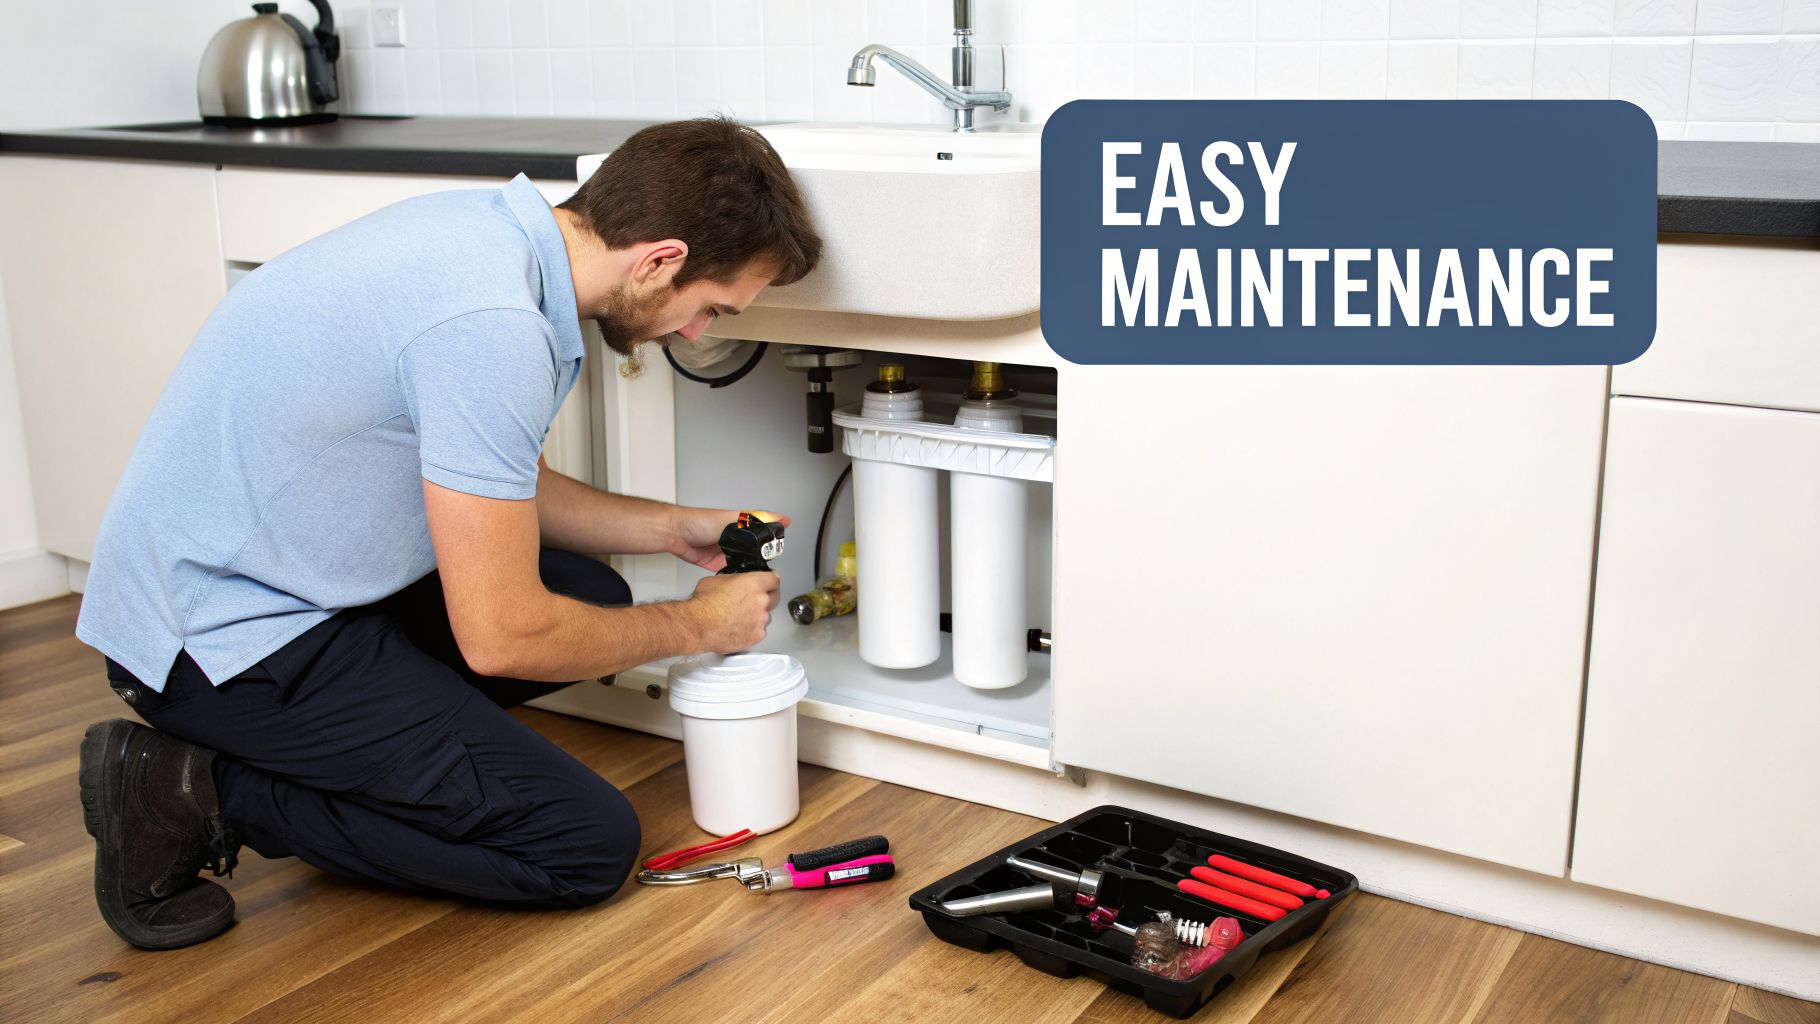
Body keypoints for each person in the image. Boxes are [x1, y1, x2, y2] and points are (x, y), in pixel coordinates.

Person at [71, 117, 823, 950]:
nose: (698, 333)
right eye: (710, 307)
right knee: (584, 846)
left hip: (262, 582)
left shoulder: (489, 234)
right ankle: (192, 787)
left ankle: (364, 756)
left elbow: (492, 477)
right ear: (658, 260)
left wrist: (670, 527)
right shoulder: (490, 330)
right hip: (215, 645)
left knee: (592, 591)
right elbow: (503, 637)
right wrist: (696, 624)